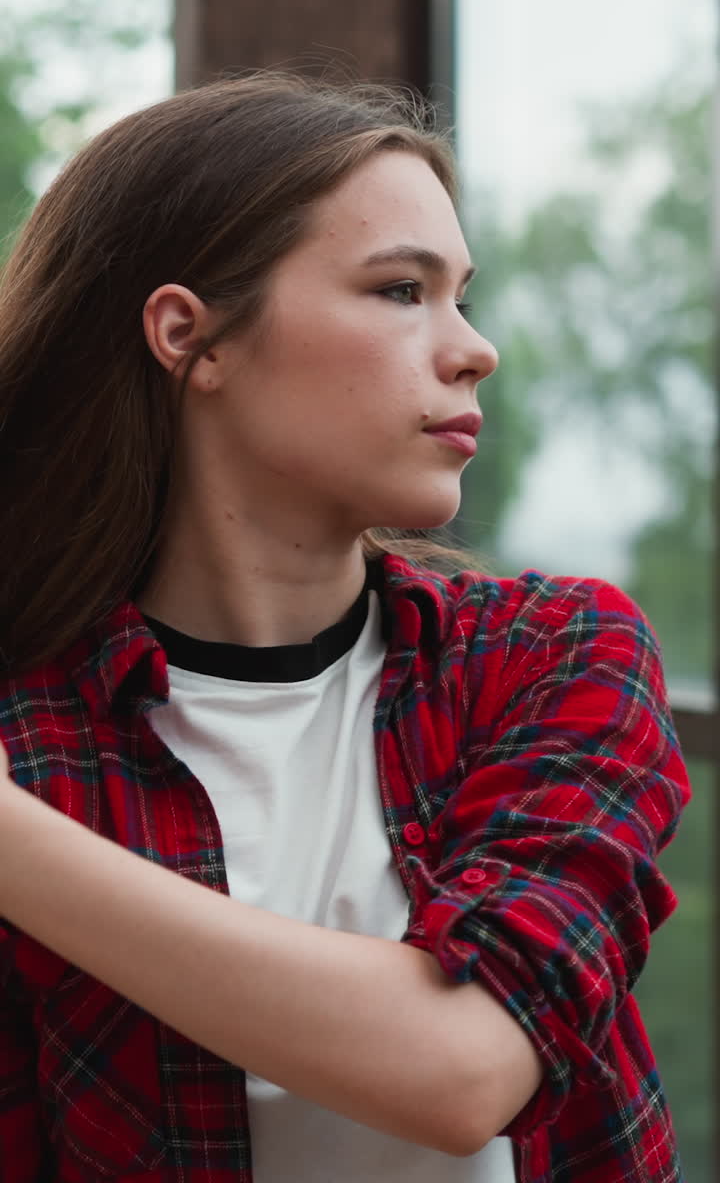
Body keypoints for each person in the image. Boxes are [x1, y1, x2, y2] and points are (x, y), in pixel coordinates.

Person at [0, 72, 689, 1183]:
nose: (474, 348)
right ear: (192, 337)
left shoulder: (555, 656)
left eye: (463, 293)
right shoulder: (30, 730)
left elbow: (465, 1069)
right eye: (400, 290)